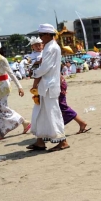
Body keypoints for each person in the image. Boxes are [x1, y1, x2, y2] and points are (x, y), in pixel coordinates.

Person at [28, 24, 69, 152]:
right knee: (41, 113)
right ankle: (40, 141)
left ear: (47, 35)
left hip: (49, 85)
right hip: (45, 85)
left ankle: (62, 141)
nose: (40, 39)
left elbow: (46, 68)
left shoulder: (51, 48)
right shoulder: (48, 47)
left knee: (53, 113)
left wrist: (34, 73)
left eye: (41, 35)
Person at [0, 40, 31, 141]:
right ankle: (23, 122)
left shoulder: (2, 59)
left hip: (4, 86)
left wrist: (20, 87)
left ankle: (1, 132)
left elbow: (11, 73)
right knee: (0, 108)